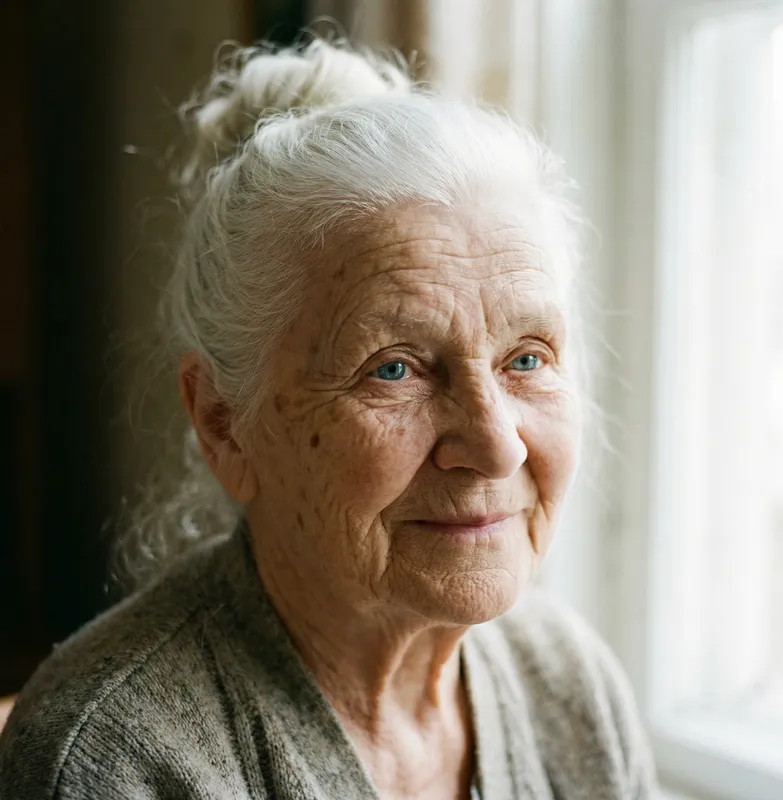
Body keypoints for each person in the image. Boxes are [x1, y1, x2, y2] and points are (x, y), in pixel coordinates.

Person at [0, 40, 657, 800]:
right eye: (395, 368)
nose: (496, 444)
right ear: (222, 422)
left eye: (528, 359)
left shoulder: (569, 686)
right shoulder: (114, 763)